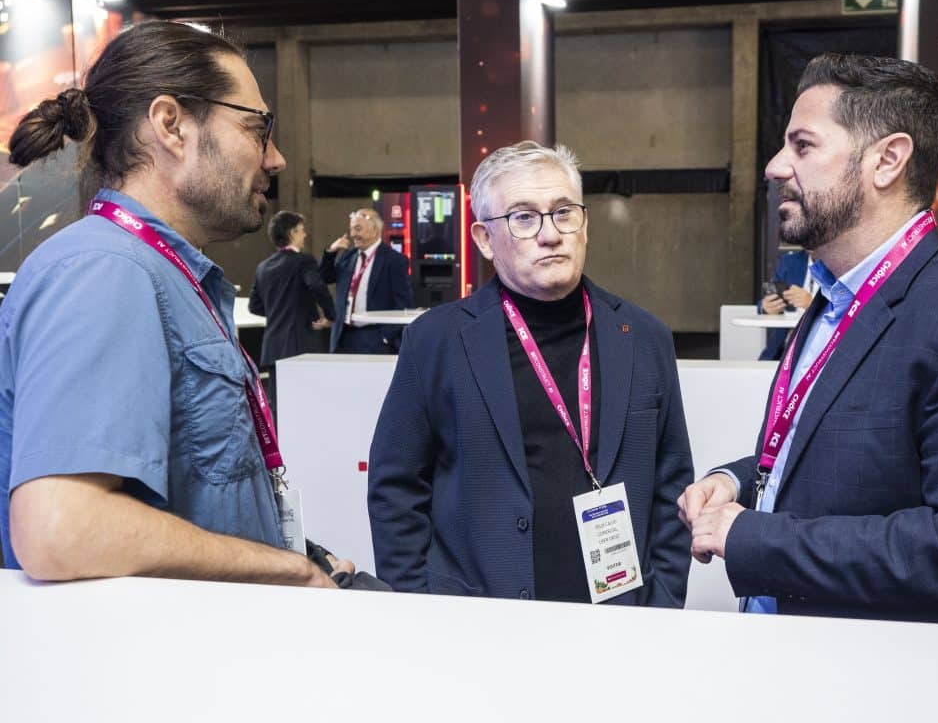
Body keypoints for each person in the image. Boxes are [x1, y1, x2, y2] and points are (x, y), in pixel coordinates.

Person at [0, 20, 352, 586]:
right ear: (171, 125)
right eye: (257, 128)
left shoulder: (164, 275)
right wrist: (289, 572)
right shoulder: (106, 270)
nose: (276, 158)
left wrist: (304, 556)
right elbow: (62, 529)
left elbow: (199, 499)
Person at [680, 53, 938, 626]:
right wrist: (738, 480)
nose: (775, 166)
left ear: (887, 160)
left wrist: (756, 538)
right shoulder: (835, 295)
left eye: (803, 146)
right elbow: (842, 456)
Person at [368, 141, 693, 606]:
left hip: (621, 618)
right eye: (523, 217)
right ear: (484, 239)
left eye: (563, 212)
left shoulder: (644, 337)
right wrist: (419, 607)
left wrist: (661, 603)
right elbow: (396, 488)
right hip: (478, 621)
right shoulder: (435, 341)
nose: (550, 234)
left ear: (585, 225)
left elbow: (672, 483)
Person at [249, 210, 335, 410]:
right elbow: (317, 285)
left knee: (280, 408)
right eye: (302, 230)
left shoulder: (263, 267)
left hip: (273, 348)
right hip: (302, 346)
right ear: (292, 233)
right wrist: (330, 315)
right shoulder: (304, 261)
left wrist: (278, 310)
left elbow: (254, 305)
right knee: (308, 405)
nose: (305, 235)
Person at [318, 208, 412, 354]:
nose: (352, 234)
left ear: (374, 230)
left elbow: (404, 302)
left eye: (357, 229)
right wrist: (331, 252)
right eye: (351, 229)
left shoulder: (394, 260)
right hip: (343, 336)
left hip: (374, 337)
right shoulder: (348, 256)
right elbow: (325, 277)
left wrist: (386, 336)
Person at [758, 248, 815, 360]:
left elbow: (846, 308)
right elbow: (766, 300)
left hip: (820, 349)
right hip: (782, 350)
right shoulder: (789, 261)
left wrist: (812, 304)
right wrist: (765, 307)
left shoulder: (842, 265)